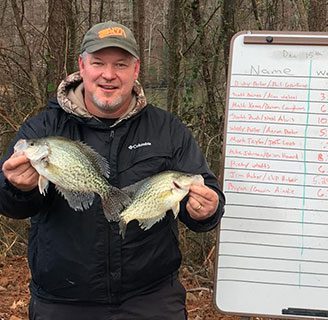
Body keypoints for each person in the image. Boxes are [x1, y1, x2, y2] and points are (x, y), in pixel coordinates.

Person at [0, 21, 225, 319]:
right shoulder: (43, 129)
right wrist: (18, 188)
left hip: (151, 299)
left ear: (136, 69)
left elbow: (203, 194)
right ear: (82, 66)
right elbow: (10, 204)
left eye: (120, 64)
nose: (108, 74)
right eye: (98, 63)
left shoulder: (168, 130)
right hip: (63, 301)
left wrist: (206, 211)